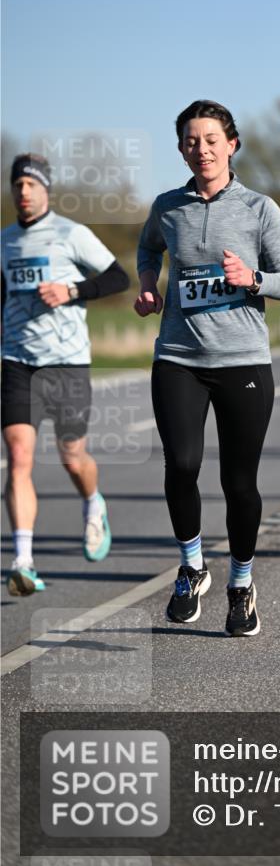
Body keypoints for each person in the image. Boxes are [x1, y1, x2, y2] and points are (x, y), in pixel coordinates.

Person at [135, 100, 280, 636]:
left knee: (238, 481)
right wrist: (145, 283)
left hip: (243, 361)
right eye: (190, 141)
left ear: (232, 144)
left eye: (210, 139)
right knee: (182, 465)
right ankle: (191, 567)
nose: (200, 149)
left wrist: (252, 278)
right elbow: (148, 250)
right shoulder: (167, 207)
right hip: (178, 357)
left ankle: (241, 583)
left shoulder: (260, 208)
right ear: (181, 149)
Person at [2, 153, 129, 595]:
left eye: (31, 184)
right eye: (17, 184)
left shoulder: (71, 234)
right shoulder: (5, 242)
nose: (24, 191)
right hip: (17, 360)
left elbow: (119, 278)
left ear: (45, 190)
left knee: (72, 456)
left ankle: (94, 504)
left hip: (67, 362)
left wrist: (71, 289)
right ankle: (23, 561)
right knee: (19, 457)